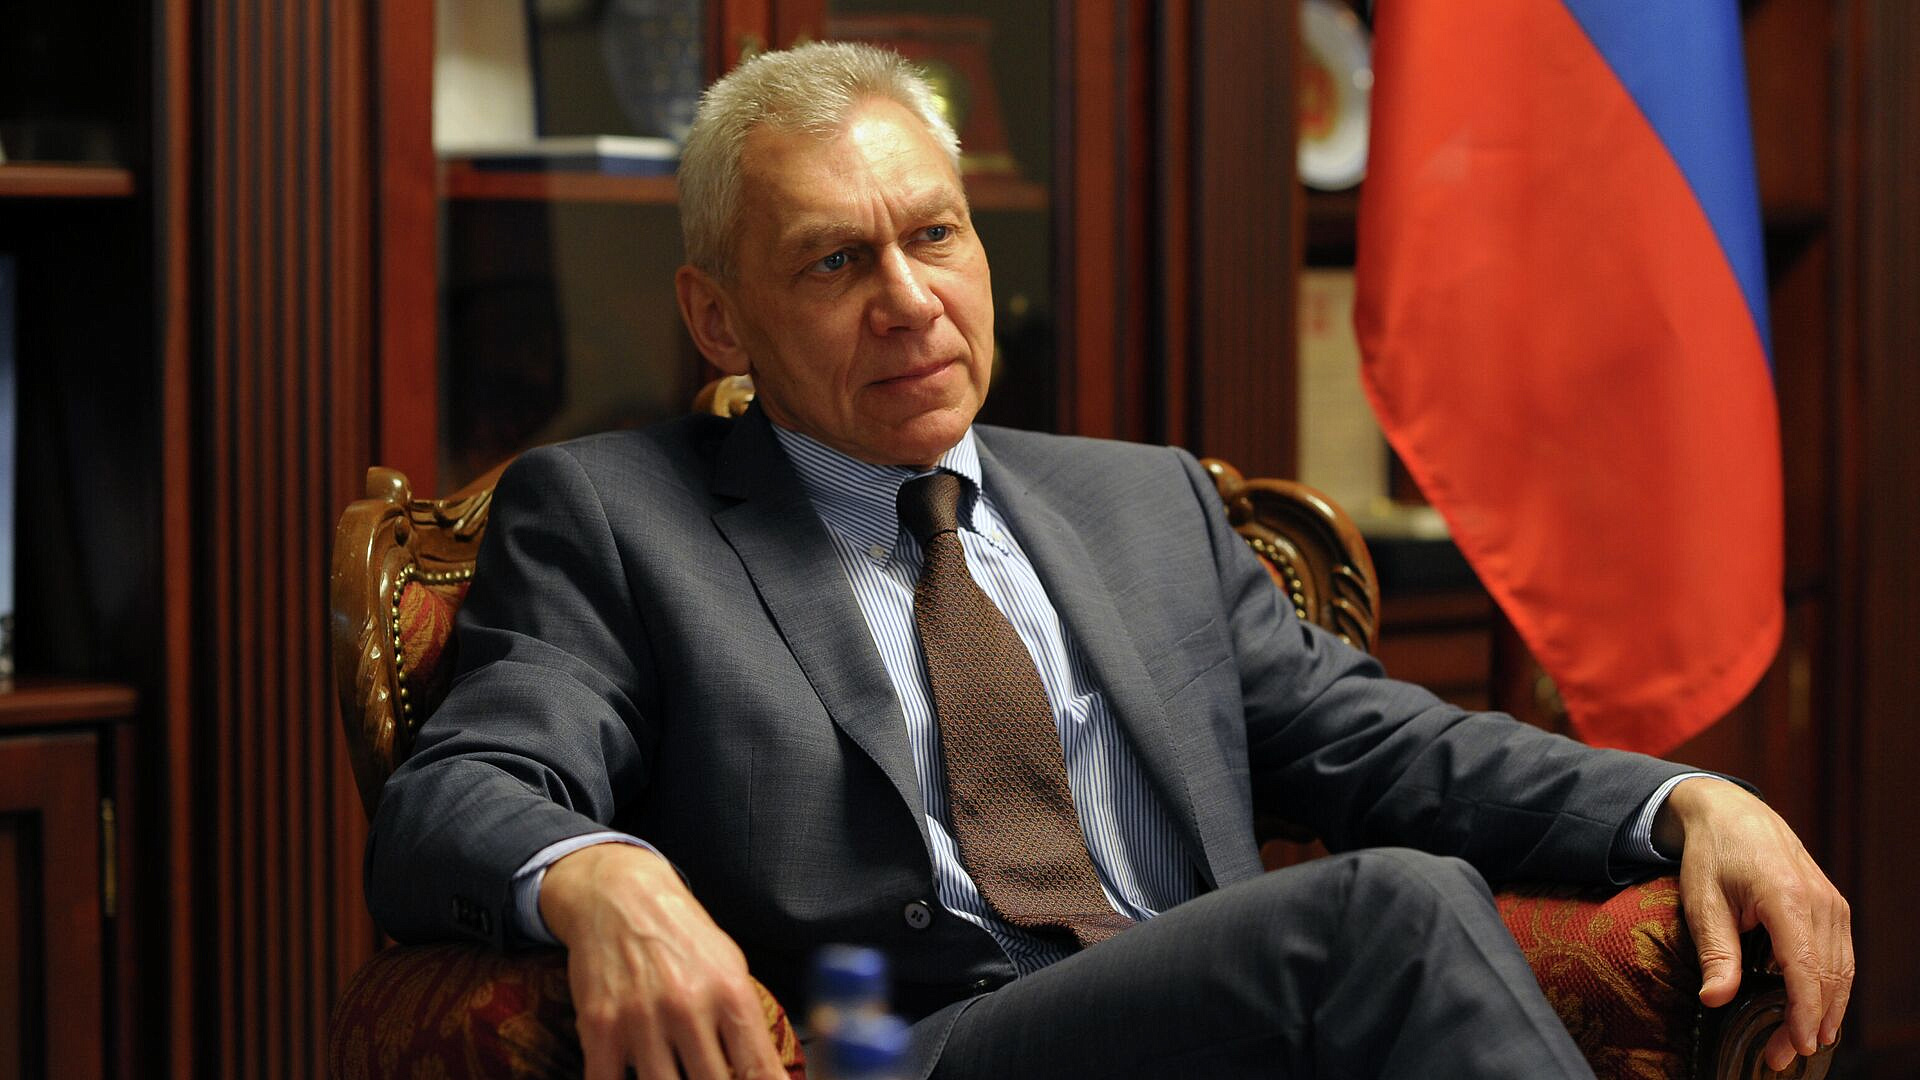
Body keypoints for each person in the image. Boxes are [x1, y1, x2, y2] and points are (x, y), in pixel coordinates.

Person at [365, 41, 1851, 1080]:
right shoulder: (616, 516)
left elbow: (1392, 747)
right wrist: (602, 877)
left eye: (934, 236)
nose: (909, 300)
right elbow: (458, 790)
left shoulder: (1142, 504)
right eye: (834, 260)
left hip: (1218, 1028)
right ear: (718, 319)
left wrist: (1682, 799)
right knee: (1388, 914)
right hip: (916, 1050)